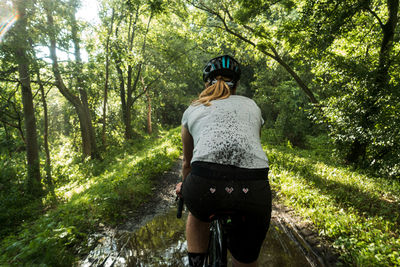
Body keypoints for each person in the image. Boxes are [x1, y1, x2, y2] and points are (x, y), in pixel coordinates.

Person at [176, 55, 272, 267]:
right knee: (246, 259)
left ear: (205, 83)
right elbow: (252, 144)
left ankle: (196, 262)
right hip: (254, 189)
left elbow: (187, 163)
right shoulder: (252, 106)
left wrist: (185, 186)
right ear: (236, 85)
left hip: (204, 185)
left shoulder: (193, 109)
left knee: (197, 213)